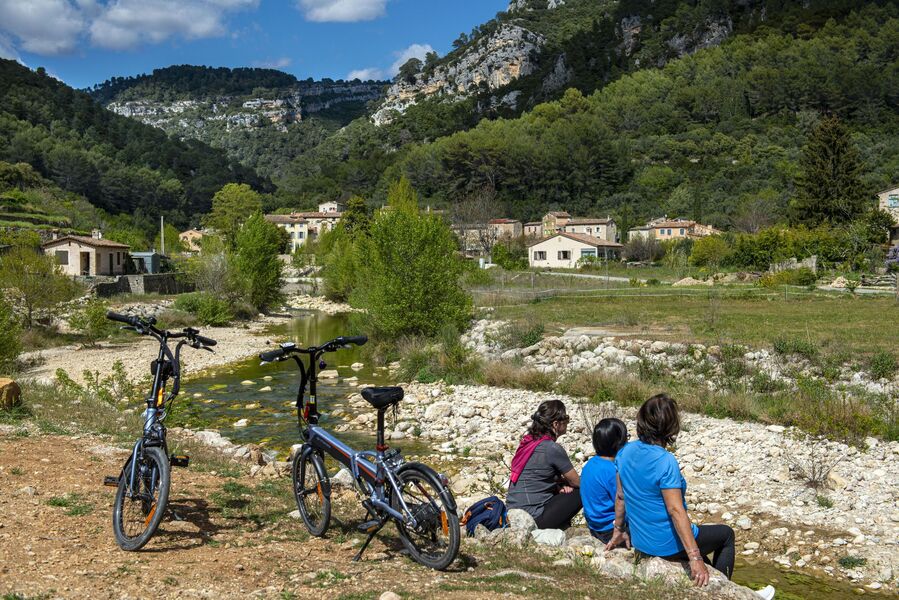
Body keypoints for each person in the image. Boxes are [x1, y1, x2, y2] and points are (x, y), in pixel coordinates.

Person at [605, 394, 740, 587]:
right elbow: (675, 511)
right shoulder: (666, 461)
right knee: (726, 534)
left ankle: (713, 577)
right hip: (665, 544)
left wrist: (618, 530)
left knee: (707, 557)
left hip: (641, 541)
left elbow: (621, 496)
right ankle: (725, 588)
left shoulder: (625, 451)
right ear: (670, 426)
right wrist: (694, 558)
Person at [505, 400, 581, 529]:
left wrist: (560, 485)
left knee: (568, 489)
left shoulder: (528, 442)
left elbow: (539, 476)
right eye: (566, 419)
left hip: (513, 512)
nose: (568, 423)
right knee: (584, 490)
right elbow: (577, 482)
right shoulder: (551, 448)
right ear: (556, 424)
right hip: (533, 516)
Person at [580, 418, 628, 543]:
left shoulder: (590, 464)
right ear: (618, 442)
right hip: (611, 529)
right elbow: (623, 501)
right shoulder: (613, 470)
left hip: (594, 526)